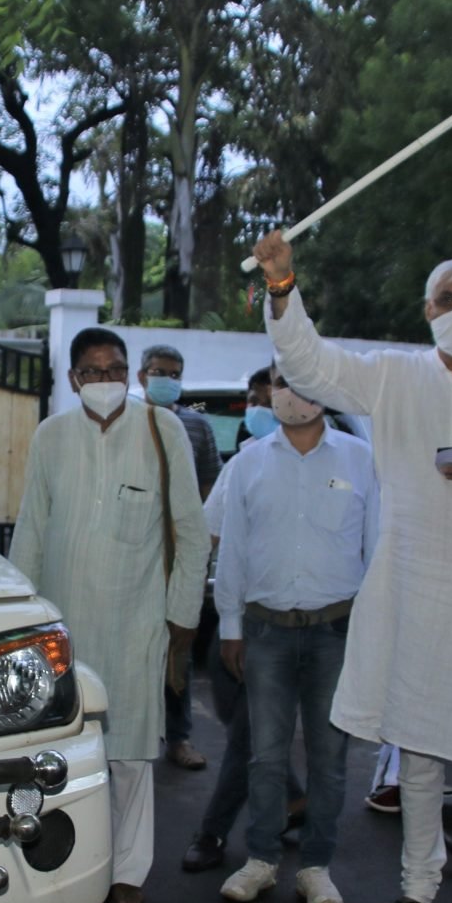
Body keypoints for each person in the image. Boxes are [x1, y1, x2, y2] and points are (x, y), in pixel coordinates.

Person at [252, 230, 452, 903]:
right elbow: (310, 365)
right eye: (446, 298)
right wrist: (282, 285)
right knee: (420, 753)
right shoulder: (394, 375)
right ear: (427, 310)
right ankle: (417, 892)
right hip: (415, 594)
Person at [9, 327, 209, 903]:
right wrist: (21, 620)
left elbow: (191, 531)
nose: (106, 380)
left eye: (115, 369)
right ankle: (61, 865)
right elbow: (32, 528)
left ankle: (127, 872)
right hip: (62, 624)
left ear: (131, 374)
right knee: (57, 751)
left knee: (130, 756)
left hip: (136, 621)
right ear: (74, 379)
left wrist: (182, 617)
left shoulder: (162, 429)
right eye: (93, 371)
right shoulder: (51, 436)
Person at [213, 367, 377, 903]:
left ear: (325, 389)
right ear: (269, 391)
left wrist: (375, 631)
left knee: (329, 759)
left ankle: (316, 868)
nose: (290, 393)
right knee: (265, 756)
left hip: (337, 631)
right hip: (265, 632)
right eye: (281, 382)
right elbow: (233, 550)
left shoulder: (361, 459)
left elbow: (376, 548)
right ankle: (261, 860)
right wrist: (230, 627)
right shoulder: (248, 463)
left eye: (302, 381)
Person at [183, 366, 308, 874]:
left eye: (266, 397)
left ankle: (212, 832)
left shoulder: (328, 463)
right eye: (255, 399)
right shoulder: (244, 464)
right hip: (233, 617)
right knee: (241, 719)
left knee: (247, 734)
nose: (260, 408)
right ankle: (295, 798)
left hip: (289, 626)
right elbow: (207, 536)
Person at [139, 343, 222, 772]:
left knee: (179, 644)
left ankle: (178, 736)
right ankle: (131, 736)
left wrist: (193, 541)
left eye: (174, 374)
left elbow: (209, 487)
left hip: (178, 555)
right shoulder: (129, 420)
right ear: (142, 376)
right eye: (159, 372)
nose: (166, 380)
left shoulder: (198, 426)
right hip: (135, 551)